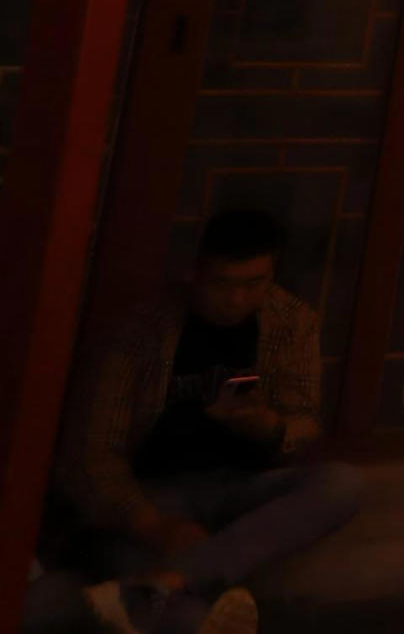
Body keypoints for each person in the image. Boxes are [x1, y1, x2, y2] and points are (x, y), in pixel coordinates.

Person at [55, 206, 362, 634]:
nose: (236, 299)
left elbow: (305, 423)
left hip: (240, 488)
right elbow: (91, 452)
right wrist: (151, 523)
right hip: (154, 494)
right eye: (222, 284)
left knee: (342, 483)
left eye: (253, 284)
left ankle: (173, 579)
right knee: (186, 618)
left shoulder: (291, 322)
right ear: (194, 273)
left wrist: (268, 426)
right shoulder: (143, 331)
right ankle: (168, 588)